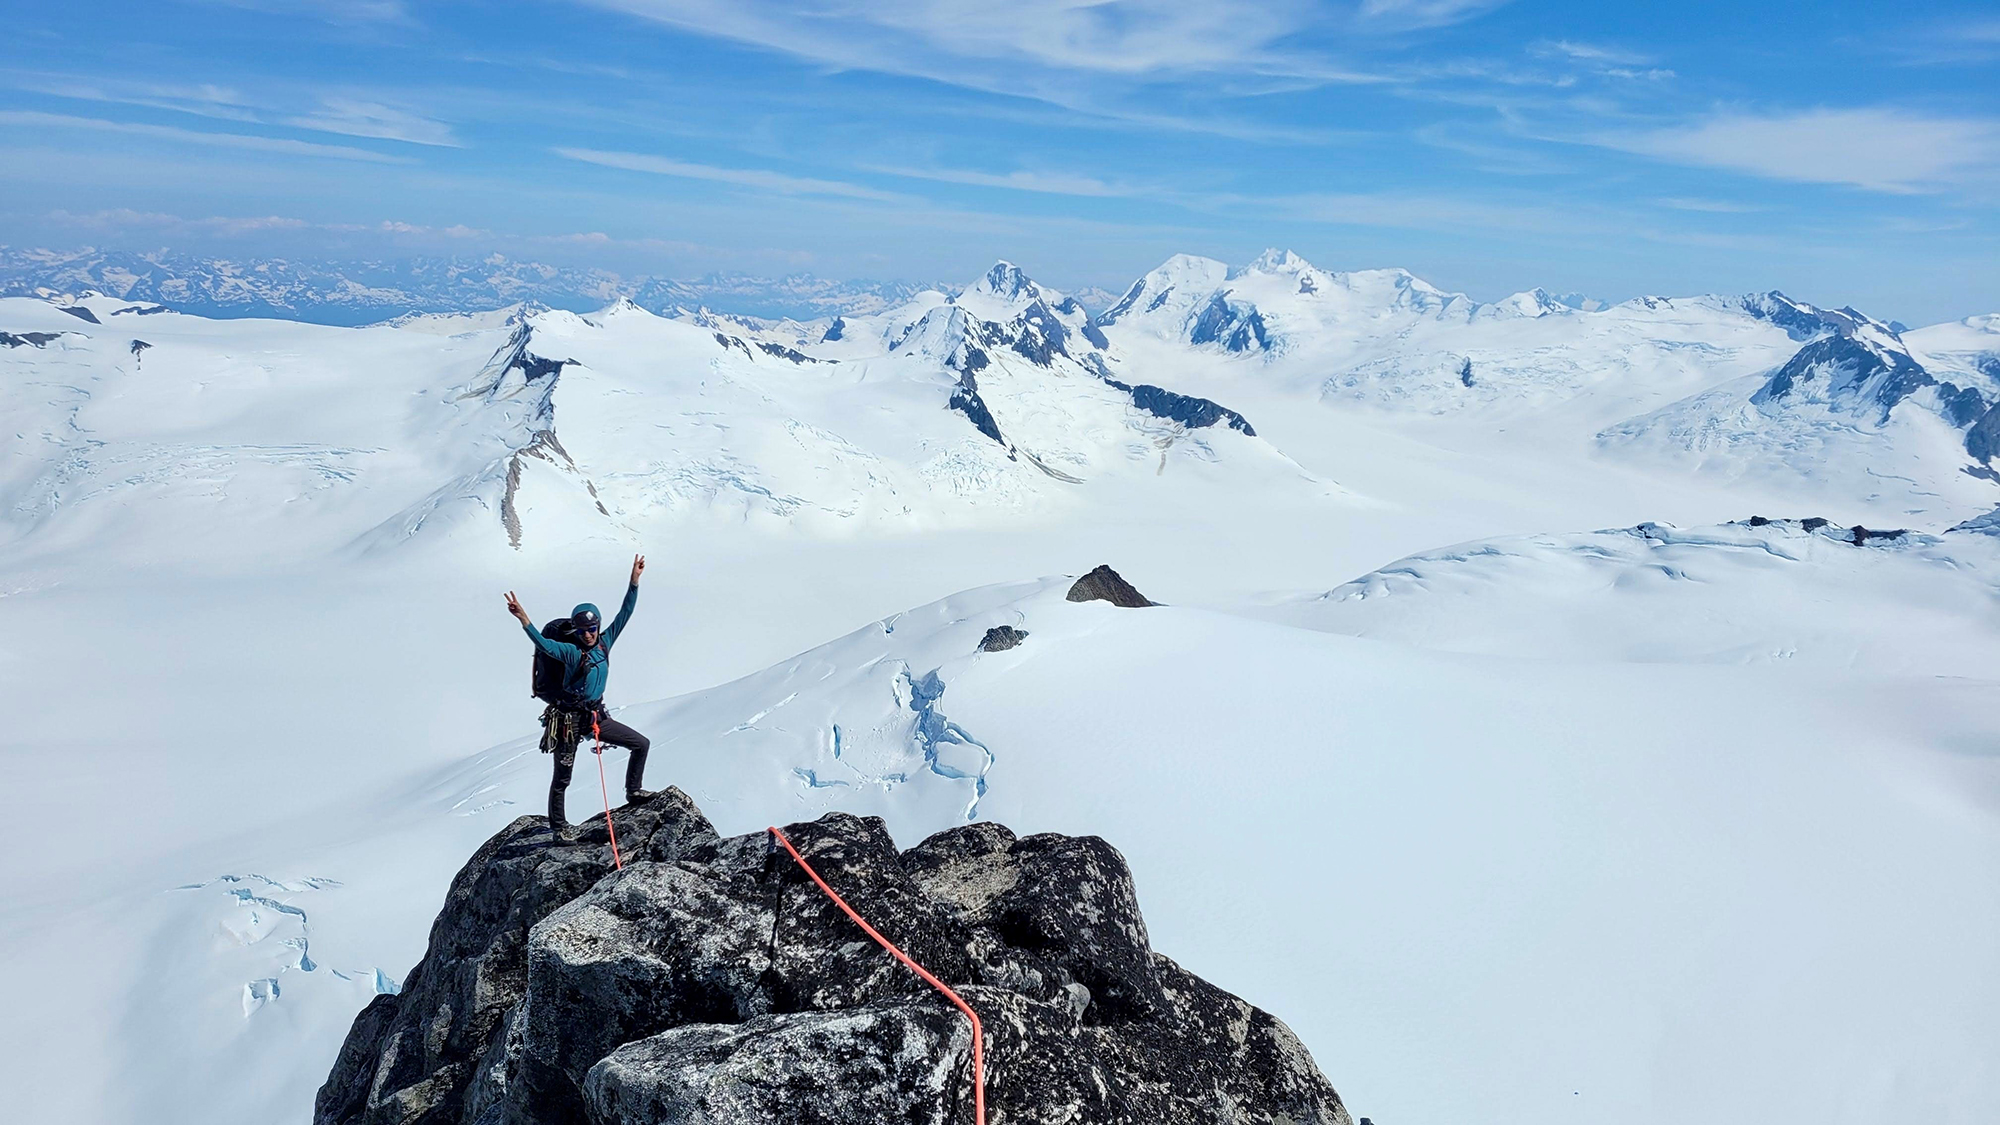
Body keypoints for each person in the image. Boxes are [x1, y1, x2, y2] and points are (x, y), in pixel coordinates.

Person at [505, 554, 652, 839]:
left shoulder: (605, 642)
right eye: (583, 630)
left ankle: (633, 791)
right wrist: (524, 619)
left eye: (592, 629)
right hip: (568, 722)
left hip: (595, 716)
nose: (588, 634)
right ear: (576, 630)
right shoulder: (571, 652)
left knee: (641, 744)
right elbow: (545, 645)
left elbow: (625, 612)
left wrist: (634, 581)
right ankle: (559, 828)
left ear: (598, 626)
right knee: (563, 777)